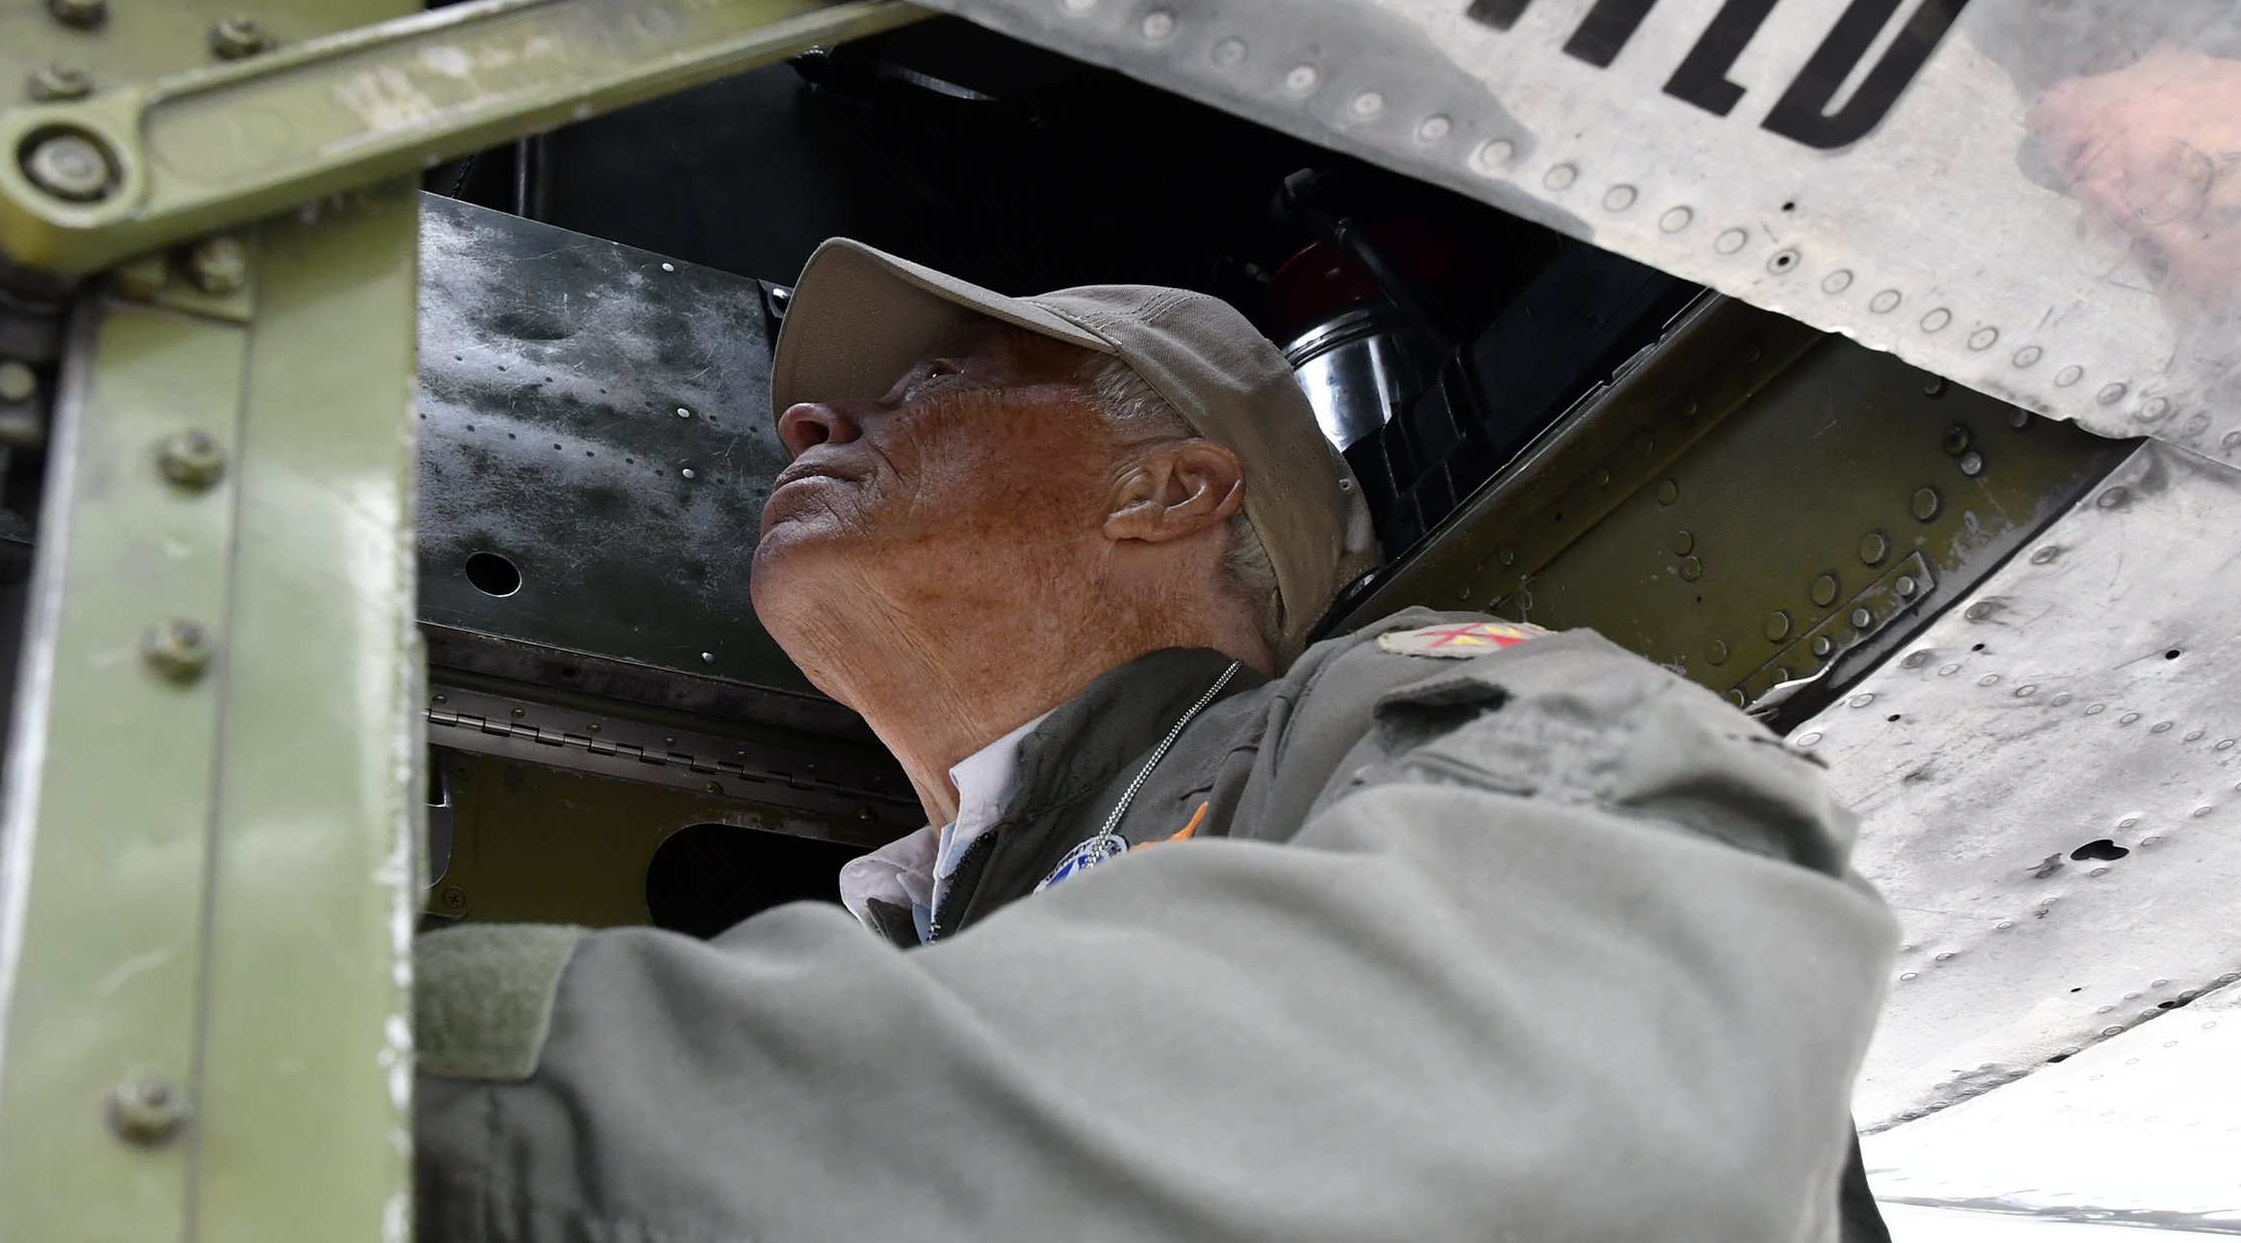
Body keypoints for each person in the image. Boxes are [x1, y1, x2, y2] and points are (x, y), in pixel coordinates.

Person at [414, 238, 1899, 1241]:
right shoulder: (931, 930)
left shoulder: (1392, 715)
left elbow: (1594, 1083)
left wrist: (470, 1107)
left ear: (1171, 493)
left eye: (934, 388)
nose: (810, 425)